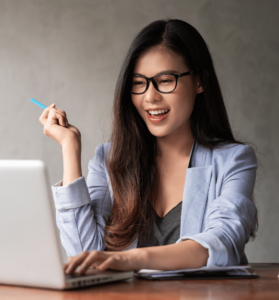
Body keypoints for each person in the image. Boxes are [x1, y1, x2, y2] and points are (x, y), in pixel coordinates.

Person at [39, 19, 258, 276]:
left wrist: (132, 259)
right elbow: (83, 255)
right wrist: (69, 148)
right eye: (139, 82)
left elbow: (220, 244)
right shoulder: (108, 159)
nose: (150, 97)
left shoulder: (234, 160)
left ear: (200, 82)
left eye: (165, 80)